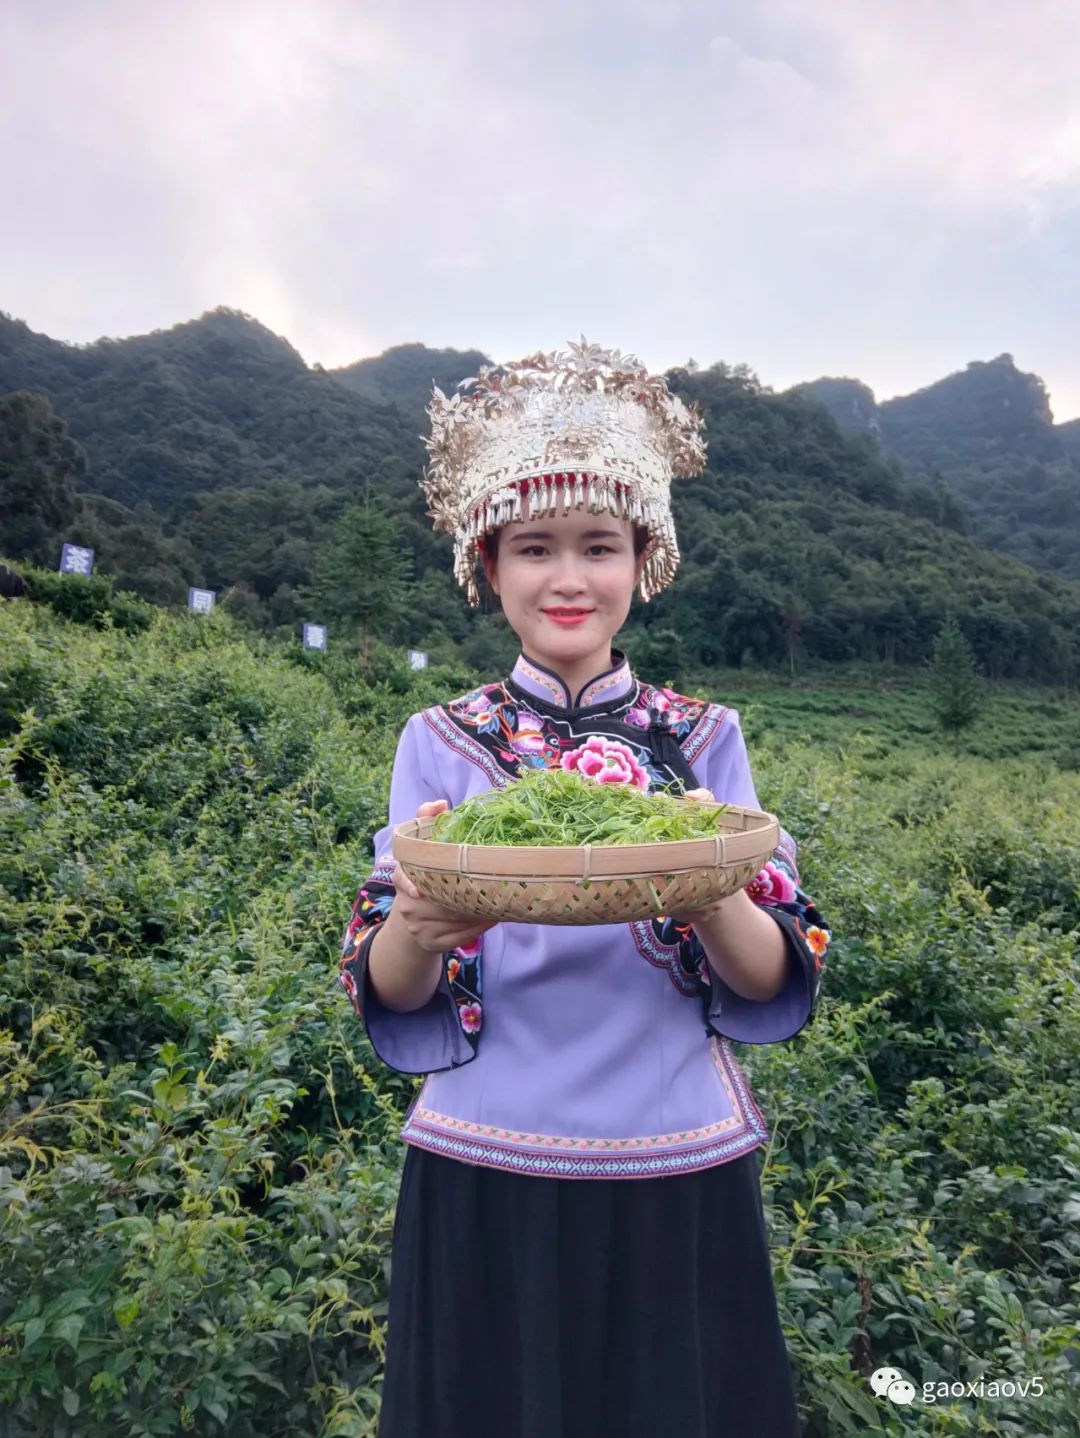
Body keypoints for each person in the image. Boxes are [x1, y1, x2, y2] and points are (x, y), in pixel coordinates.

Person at [338, 339, 832, 1438]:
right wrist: (418, 924)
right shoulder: (441, 741)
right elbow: (390, 980)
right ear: (488, 566)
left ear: (643, 561)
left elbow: (773, 967)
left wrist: (709, 884)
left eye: (599, 545)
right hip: (486, 1161)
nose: (568, 577)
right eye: (534, 547)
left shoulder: (705, 740)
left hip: (677, 1161)